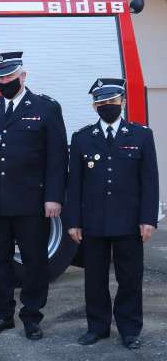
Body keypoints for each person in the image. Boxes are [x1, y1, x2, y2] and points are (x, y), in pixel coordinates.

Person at [0, 52, 68, 340]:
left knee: (35, 262)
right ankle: (2, 315)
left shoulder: (45, 108)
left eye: (10, 77)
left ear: (23, 76)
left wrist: (54, 197)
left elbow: (58, 158)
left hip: (31, 202)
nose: (4, 82)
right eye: (0, 77)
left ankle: (32, 317)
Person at [63, 78, 158, 350]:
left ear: (123, 103)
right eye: (101, 103)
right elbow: (75, 184)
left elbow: (150, 181)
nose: (107, 107)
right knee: (94, 278)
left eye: (112, 102)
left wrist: (148, 219)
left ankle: (129, 329)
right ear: (94, 107)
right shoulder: (81, 138)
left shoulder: (141, 135)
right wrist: (73, 222)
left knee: (130, 278)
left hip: (129, 221)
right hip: (92, 222)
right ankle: (97, 326)